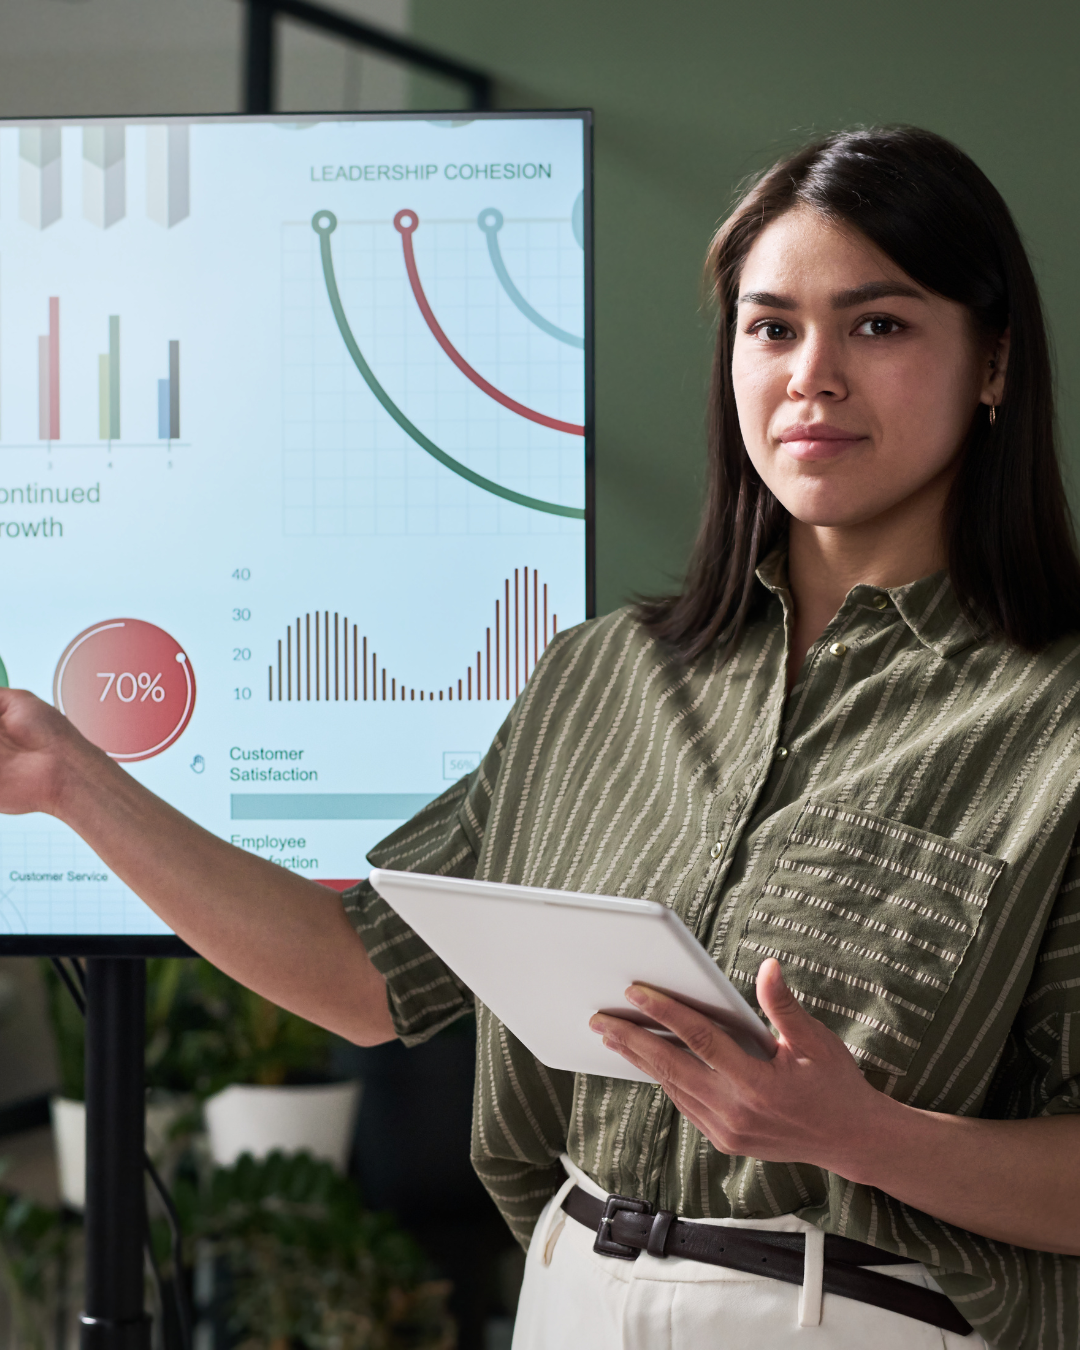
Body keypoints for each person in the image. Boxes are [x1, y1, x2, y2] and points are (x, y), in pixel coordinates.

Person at [1, 125, 1079, 1349]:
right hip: (569, 1294)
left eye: (879, 325)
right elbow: (360, 977)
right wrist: (65, 774)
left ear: (993, 362)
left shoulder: (1057, 720)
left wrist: (858, 1135)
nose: (811, 375)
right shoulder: (600, 678)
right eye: (772, 326)